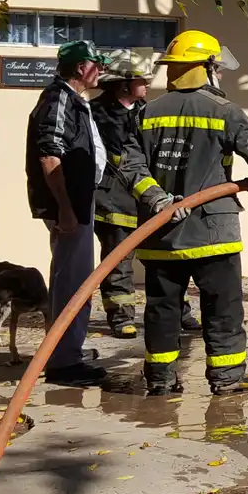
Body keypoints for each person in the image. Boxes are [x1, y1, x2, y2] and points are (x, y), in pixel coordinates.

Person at [118, 30, 248, 397]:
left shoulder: (146, 113)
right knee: (223, 309)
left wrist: (157, 199)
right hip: (213, 235)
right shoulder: (225, 111)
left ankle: (160, 379)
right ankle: (227, 378)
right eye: (217, 68)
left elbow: (130, 166)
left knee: (162, 310)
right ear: (205, 68)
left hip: (161, 234)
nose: (220, 74)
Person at [90, 48, 201, 340]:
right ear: (123, 84)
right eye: (142, 79)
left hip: (151, 198)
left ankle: (180, 313)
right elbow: (116, 159)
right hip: (115, 201)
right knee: (118, 262)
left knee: (167, 259)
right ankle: (121, 317)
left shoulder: (147, 111)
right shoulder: (96, 114)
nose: (149, 83)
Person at [25, 39, 111, 386]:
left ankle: (67, 349)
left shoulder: (73, 100)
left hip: (77, 202)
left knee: (74, 278)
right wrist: (65, 208)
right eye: (97, 64)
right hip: (70, 206)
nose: (101, 70)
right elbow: (50, 155)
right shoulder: (59, 99)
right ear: (80, 67)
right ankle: (64, 362)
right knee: (73, 282)